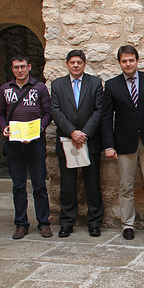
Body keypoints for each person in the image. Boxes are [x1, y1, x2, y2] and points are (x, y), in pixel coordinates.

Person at [101, 45, 144, 241]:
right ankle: (127, 224)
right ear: (119, 63)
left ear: (137, 61)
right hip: (124, 144)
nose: (128, 64)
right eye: (124, 61)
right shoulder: (112, 85)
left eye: (131, 60)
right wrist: (109, 145)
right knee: (125, 186)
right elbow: (106, 117)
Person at [0, 55, 53, 239]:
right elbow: (0, 113)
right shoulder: (5, 89)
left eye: (22, 66)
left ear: (29, 67)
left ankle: (43, 223)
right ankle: (21, 224)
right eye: (15, 67)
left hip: (35, 142)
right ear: (12, 69)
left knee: (39, 185)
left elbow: (47, 112)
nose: (19, 70)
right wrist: (4, 127)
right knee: (18, 186)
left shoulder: (40, 88)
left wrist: (40, 129)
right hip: (14, 143)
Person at [50, 49, 104, 238]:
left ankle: (94, 222)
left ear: (84, 64)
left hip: (90, 141)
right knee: (67, 185)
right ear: (67, 64)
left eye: (79, 62)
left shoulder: (95, 83)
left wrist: (84, 134)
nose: (75, 65)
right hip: (67, 141)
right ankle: (66, 222)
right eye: (72, 62)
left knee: (93, 184)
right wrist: (72, 132)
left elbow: (99, 111)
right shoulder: (57, 85)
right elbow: (56, 111)